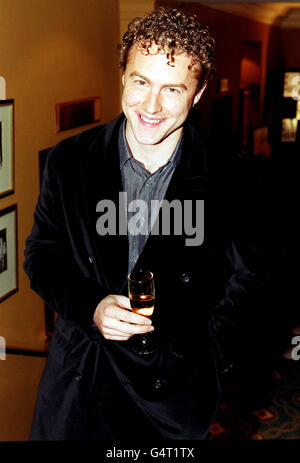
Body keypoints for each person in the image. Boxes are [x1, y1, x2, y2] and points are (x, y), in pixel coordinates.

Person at [24, 7, 272, 441]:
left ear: (197, 95)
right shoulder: (69, 162)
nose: (151, 106)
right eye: (140, 82)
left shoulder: (232, 176)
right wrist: (91, 307)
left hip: (170, 393)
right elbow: (43, 256)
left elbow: (252, 277)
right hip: (79, 382)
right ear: (123, 75)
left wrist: (206, 355)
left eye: (172, 89)